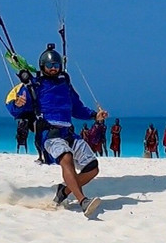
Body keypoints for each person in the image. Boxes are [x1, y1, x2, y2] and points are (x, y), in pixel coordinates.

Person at [7, 43, 106, 218]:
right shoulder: (34, 86)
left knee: (93, 168)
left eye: (56, 65)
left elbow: (77, 108)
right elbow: (15, 109)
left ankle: (64, 190)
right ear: (42, 66)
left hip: (68, 132)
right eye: (50, 66)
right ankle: (83, 201)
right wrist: (17, 104)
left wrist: (94, 116)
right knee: (66, 158)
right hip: (49, 134)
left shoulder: (65, 84)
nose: (53, 69)